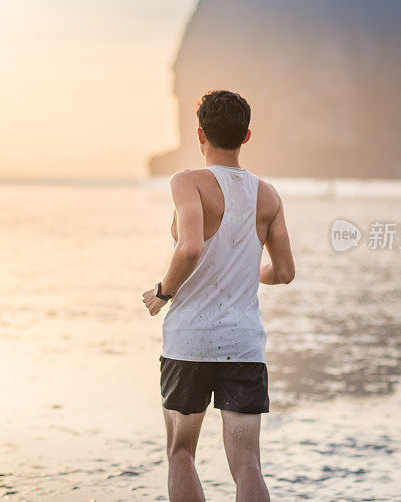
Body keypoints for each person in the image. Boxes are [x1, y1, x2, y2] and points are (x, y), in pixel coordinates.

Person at [142, 89, 296, 502]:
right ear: (247, 136)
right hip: (243, 345)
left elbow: (190, 247)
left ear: (200, 135)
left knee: (180, 453)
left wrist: (162, 292)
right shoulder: (269, 195)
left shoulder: (187, 182)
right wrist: (248, 272)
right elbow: (284, 272)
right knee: (247, 465)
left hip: (190, 341)